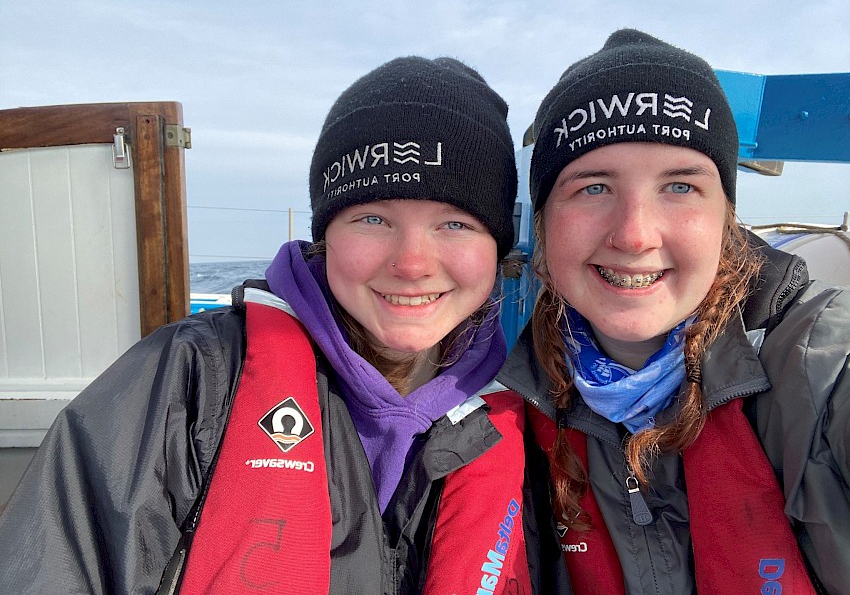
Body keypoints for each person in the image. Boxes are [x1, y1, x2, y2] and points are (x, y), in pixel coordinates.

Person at [0, 57, 565, 594]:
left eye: (454, 223)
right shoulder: (189, 384)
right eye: (372, 218)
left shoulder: (535, 417)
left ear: (498, 249)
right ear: (326, 235)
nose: (412, 263)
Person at [496, 29, 850, 595]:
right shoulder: (504, 406)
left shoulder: (820, 366)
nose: (635, 235)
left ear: (725, 220)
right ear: (541, 224)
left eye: (680, 186)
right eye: (592, 188)